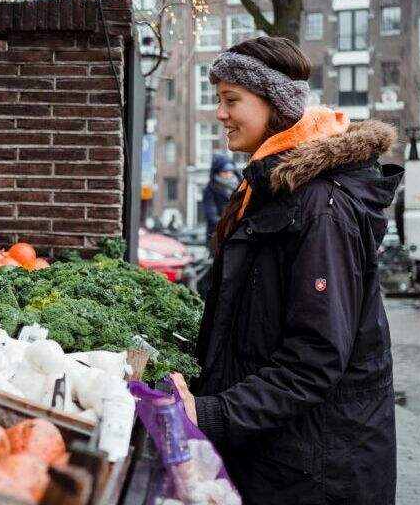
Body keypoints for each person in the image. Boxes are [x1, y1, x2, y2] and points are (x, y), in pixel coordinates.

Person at [169, 36, 402, 504]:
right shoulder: (270, 190)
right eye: (218, 99)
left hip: (315, 471)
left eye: (231, 100)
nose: (220, 114)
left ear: (275, 104)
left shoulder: (321, 208)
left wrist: (212, 413)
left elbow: (315, 356)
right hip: (282, 456)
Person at [203, 154, 239, 247]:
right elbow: (211, 214)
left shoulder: (241, 185)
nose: (228, 174)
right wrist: (228, 226)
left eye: (230, 171)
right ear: (217, 172)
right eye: (224, 171)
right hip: (218, 235)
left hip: (238, 234)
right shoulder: (210, 189)